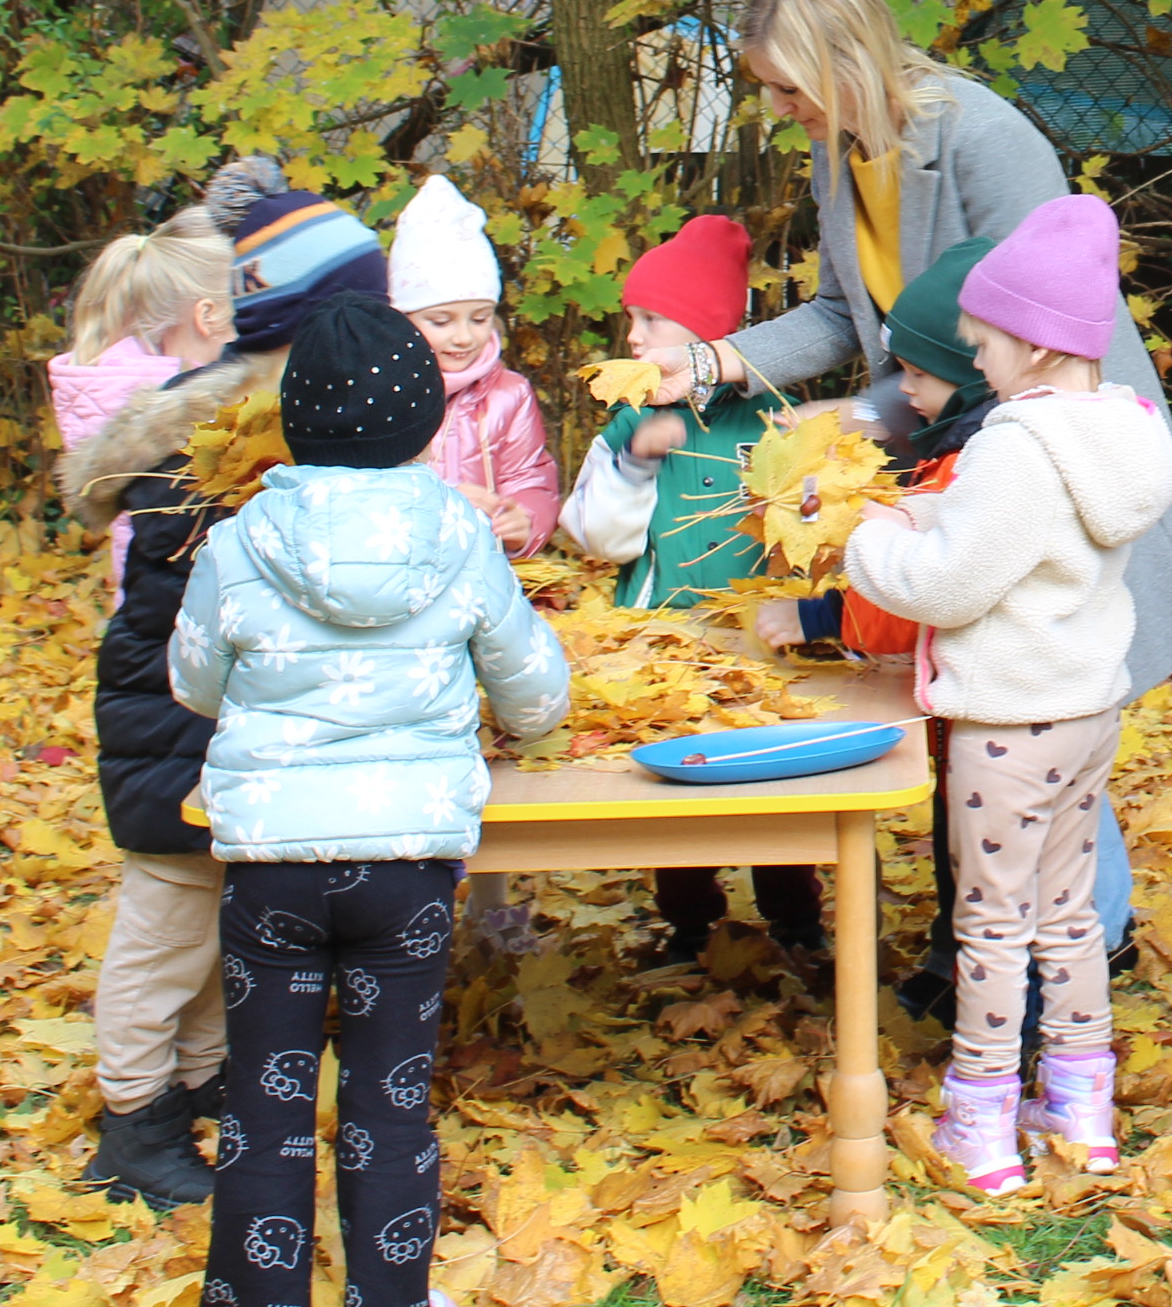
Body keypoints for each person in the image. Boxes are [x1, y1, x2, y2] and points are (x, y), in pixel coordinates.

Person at [171, 290, 570, 1307]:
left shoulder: (238, 542)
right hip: (405, 867)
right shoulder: (460, 536)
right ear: (427, 422)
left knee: (265, 1107)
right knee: (389, 1110)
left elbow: (194, 683)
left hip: (272, 867)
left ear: (293, 420)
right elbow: (533, 694)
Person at [706, 0, 1172, 706]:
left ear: (848, 61)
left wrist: (863, 416)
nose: (779, 107)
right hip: (959, 451)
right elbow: (839, 313)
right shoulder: (837, 151)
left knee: (1049, 694)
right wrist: (709, 362)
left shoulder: (982, 139)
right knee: (992, 701)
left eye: (790, 87)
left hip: (1058, 449)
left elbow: (1033, 342)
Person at [60, 156, 386, 1208]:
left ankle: (202, 1077)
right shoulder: (223, 444)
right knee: (164, 930)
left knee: (213, 908)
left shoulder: (254, 421)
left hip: (217, 714)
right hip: (172, 717)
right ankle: (133, 1116)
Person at [845, 197, 1172, 1193]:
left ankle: (982, 1119)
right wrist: (920, 512)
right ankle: (1081, 1107)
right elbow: (1011, 530)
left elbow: (949, 585)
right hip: (1083, 712)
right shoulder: (1115, 432)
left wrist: (867, 544)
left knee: (991, 925)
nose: (978, 363)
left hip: (1004, 725)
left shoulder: (1016, 443)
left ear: (1033, 346)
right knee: (1068, 915)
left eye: (985, 345)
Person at [563, 214, 823, 965]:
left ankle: (795, 919)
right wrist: (635, 464)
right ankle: (688, 923)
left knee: (775, 785)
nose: (634, 336)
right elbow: (597, 537)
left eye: (652, 319)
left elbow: (808, 530)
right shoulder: (629, 424)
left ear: (709, 335)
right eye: (631, 319)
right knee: (679, 786)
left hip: (757, 642)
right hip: (663, 644)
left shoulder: (771, 419)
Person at [47, 207, 232, 602]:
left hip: (146, 610)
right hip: (184, 615)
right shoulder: (179, 416)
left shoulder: (130, 391)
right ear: (209, 315)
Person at [388, 173, 562, 560]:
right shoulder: (382, 392)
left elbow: (529, 475)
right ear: (403, 318)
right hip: (398, 566)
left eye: (480, 318)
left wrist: (525, 520)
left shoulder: (510, 394)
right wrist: (442, 502)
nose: (464, 336)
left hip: (484, 569)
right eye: (441, 321)